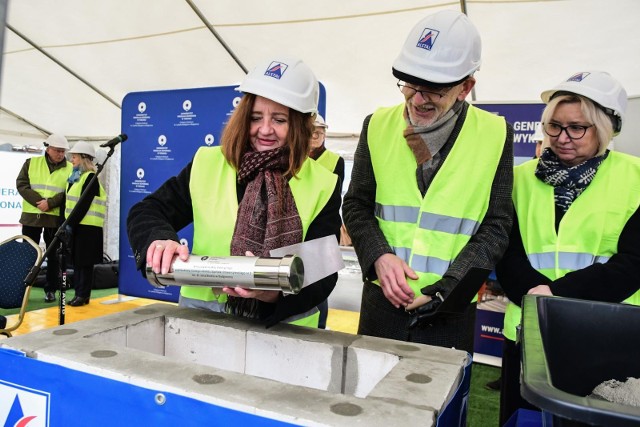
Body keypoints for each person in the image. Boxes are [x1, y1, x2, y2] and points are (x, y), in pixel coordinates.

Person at [342, 9, 513, 352]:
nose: (418, 98)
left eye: (433, 87)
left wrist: (448, 287)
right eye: (410, 83)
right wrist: (380, 257)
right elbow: (356, 204)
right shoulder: (376, 124)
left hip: (449, 314)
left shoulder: (495, 134)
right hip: (381, 307)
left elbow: (497, 225)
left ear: (466, 87)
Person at [127, 57, 342, 328]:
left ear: (299, 124)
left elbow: (324, 268)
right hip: (202, 327)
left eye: (279, 119)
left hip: (286, 336)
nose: (265, 130)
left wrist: (273, 293)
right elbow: (147, 211)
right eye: (255, 117)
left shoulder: (322, 182)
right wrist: (157, 240)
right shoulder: (208, 163)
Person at [495, 71, 640, 424]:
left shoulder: (635, 177)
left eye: (577, 128)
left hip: (608, 340)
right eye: (554, 127)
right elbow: (507, 251)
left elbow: (633, 264)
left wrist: (552, 297)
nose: (562, 138)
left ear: (605, 128)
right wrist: (538, 298)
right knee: (524, 420)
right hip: (528, 337)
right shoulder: (520, 178)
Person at [16, 134, 73, 303]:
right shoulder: (31, 163)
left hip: (54, 219)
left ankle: (51, 289)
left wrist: (51, 203)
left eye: (63, 151)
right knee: (28, 254)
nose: (60, 154)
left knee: (54, 256)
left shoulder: (71, 169)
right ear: (48, 149)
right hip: (31, 218)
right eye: (57, 150)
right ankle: (23, 290)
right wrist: (38, 202)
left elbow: (71, 190)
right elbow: (21, 184)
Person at [309, 114, 345, 329]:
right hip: (299, 227)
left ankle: (320, 326)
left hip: (322, 229)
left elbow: (334, 197)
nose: (315, 136)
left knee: (320, 280)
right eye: (311, 131)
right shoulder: (292, 156)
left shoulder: (334, 161)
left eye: (319, 132)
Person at [64, 141, 106, 307]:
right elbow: (69, 203)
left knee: (84, 263)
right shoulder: (75, 178)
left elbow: (83, 204)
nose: (72, 160)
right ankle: (79, 294)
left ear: (83, 158)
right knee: (77, 262)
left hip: (88, 228)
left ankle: (82, 295)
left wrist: (70, 224)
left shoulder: (90, 178)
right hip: (77, 226)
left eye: (74, 157)